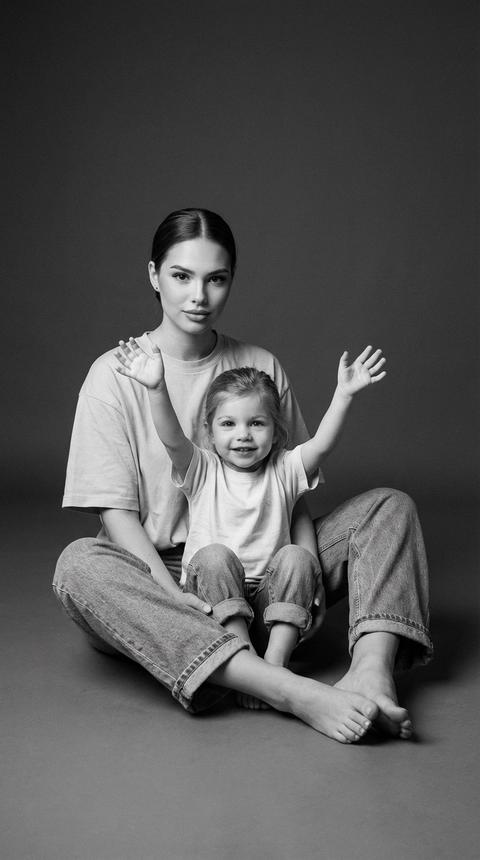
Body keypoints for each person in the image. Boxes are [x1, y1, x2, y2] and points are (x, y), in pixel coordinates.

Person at [53, 207, 433, 744]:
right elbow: (115, 515)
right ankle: (284, 687)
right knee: (77, 566)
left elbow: (291, 486)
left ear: (231, 280)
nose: (198, 296)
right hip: (170, 575)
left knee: (389, 507)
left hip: (268, 560)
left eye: (216, 279)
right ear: (153, 276)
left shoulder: (259, 364)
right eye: (182, 276)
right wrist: (171, 594)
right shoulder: (113, 375)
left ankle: (371, 671)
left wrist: (299, 568)